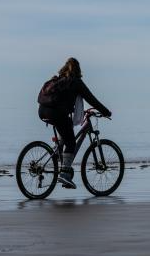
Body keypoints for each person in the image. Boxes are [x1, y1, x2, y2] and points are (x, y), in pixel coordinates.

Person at [37, 58, 112, 187]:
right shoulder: (75, 82)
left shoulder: (57, 80)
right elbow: (91, 99)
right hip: (56, 113)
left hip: (42, 110)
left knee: (65, 132)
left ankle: (60, 161)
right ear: (78, 70)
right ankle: (64, 174)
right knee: (71, 141)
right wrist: (105, 111)